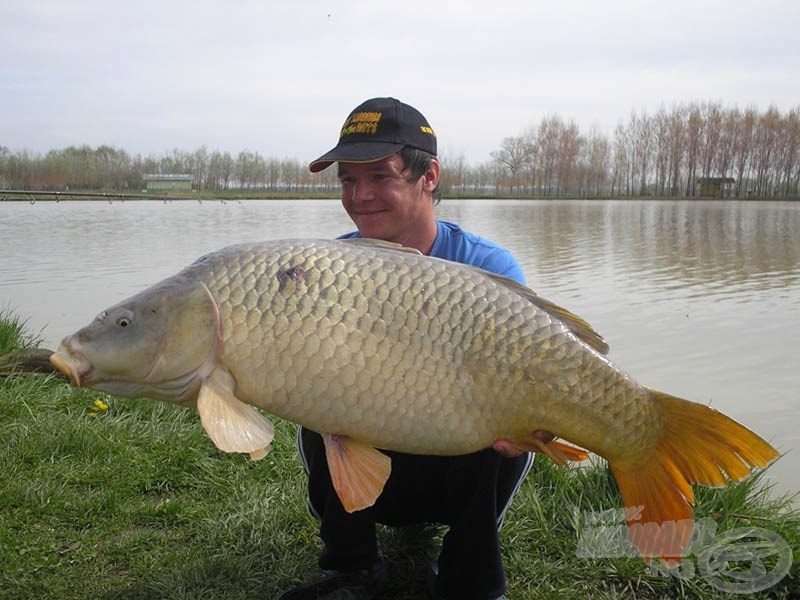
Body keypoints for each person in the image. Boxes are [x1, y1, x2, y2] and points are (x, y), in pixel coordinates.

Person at [279, 97, 534, 600]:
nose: (360, 195)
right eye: (348, 180)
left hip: (456, 470)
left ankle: (469, 580)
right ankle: (350, 570)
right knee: (315, 402)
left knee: (503, 422)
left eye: (379, 176)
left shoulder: (488, 268)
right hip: (370, 474)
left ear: (429, 176)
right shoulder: (329, 265)